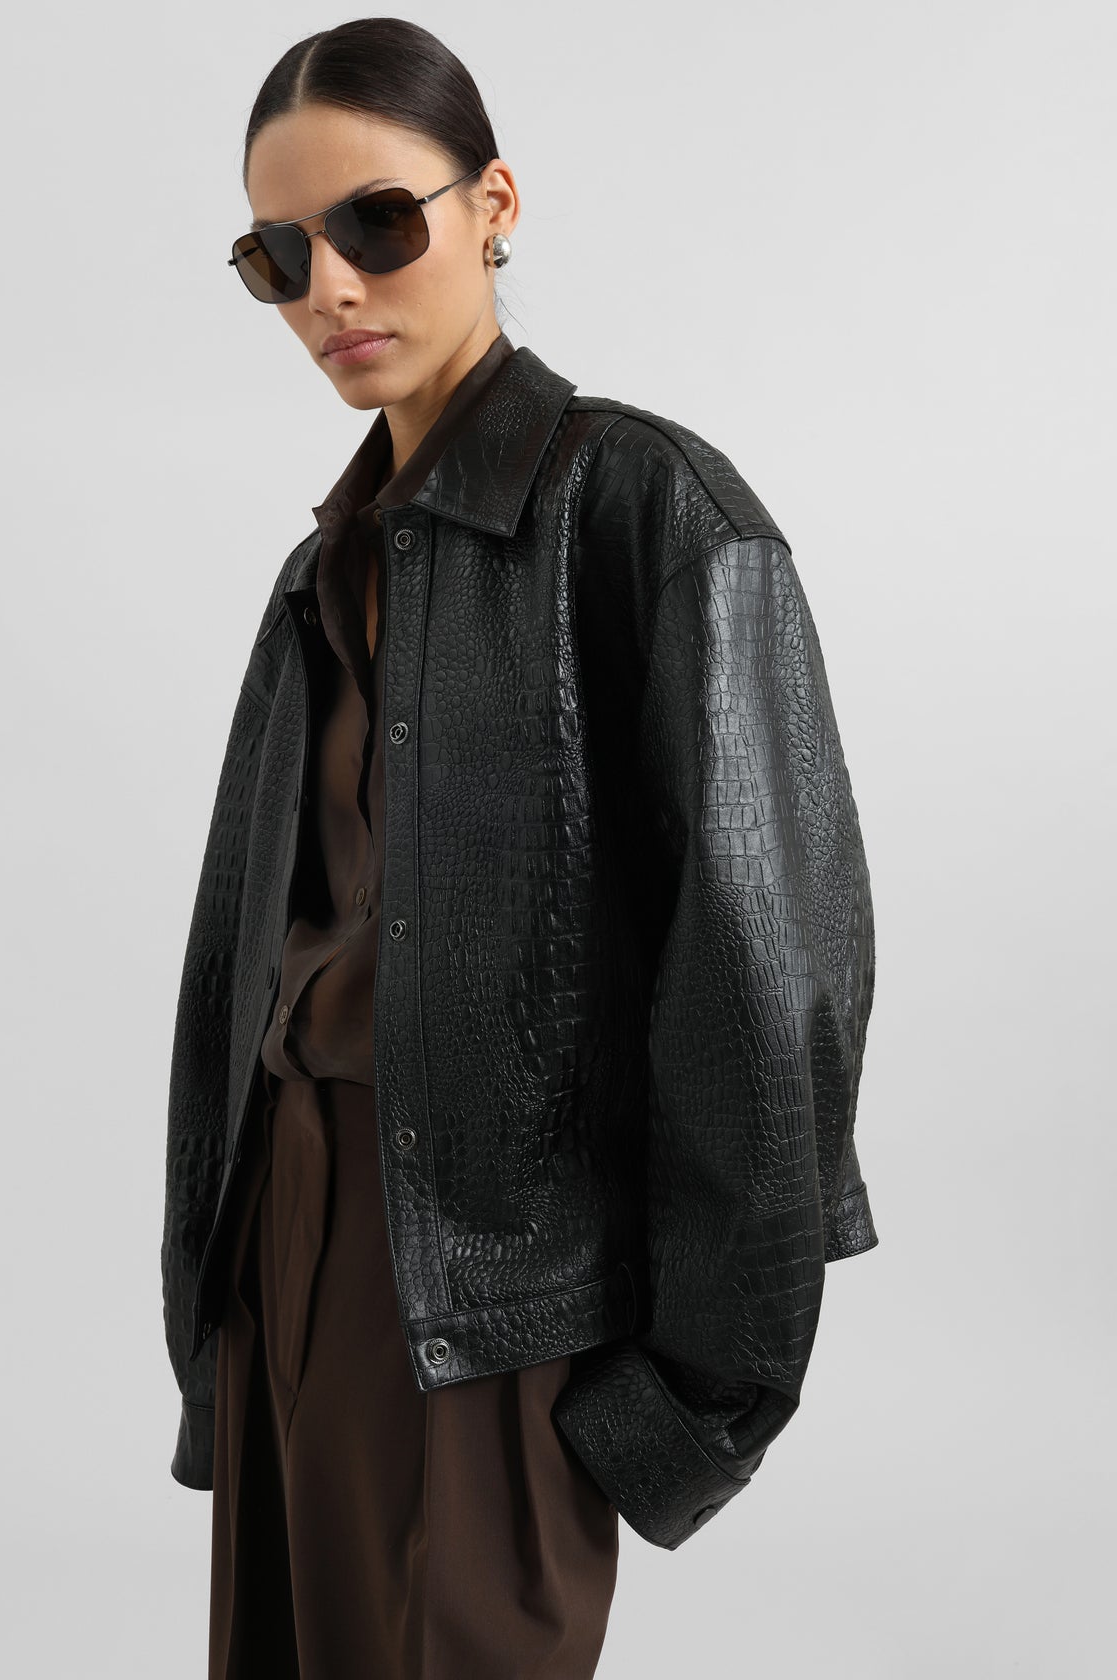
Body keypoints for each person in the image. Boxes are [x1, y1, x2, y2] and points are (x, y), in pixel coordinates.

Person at [161, 16, 880, 1680]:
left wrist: (692, 1402)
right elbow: (236, 962)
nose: (331, 288)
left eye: (376, 223)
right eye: (279, 255)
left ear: (492, 205)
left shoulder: (653, 514)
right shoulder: (324, 569)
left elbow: (772, 987)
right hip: (291, 1244)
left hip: (492, 1299)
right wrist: (214, 1302)